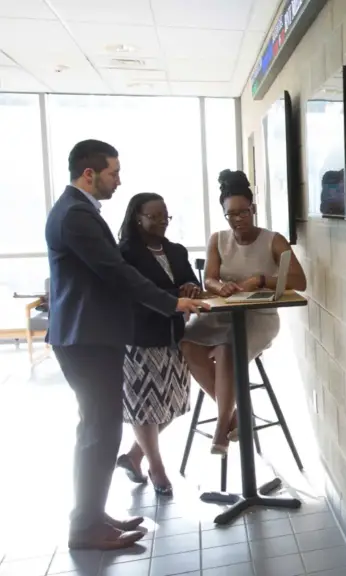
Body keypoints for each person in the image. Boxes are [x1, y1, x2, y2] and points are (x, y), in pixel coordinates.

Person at [45, 139, 206, 551]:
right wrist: (171, 302)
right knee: (100, 433)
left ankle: (91, 516)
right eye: (113, 172)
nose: (119, 180)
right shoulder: (76, 214)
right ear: (89, 174)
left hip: (90, 335)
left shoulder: (76, 210)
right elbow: (116, 272)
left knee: (98, 430)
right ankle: (85, 528)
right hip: (87, 337)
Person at [181, 170, 307, 455]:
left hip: (259, 318)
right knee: (186, 341)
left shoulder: (273, 240)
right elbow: (209, 280)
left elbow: (300, 281)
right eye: (231, 214)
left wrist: (262, 279)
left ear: (254, 209)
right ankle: (235, 417)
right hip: (223, 313)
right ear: (223, 213)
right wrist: (220, 285)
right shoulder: (218, 239)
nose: (238, 219)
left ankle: (221, 426)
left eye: (243, 212)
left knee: (228, 348)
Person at [114, 193, 202, 496]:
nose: (162, 220)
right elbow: (135, 292)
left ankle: (134, 457)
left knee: (171, 405)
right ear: (138, 218)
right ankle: (156, 468)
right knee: (144, 408)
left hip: (172, 335)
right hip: (139, 337)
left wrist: (192, 286)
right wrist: (174, 296)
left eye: (165, 215)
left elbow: (191, 283)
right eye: (154, 216)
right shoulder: (125, 252)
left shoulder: (176, 251)